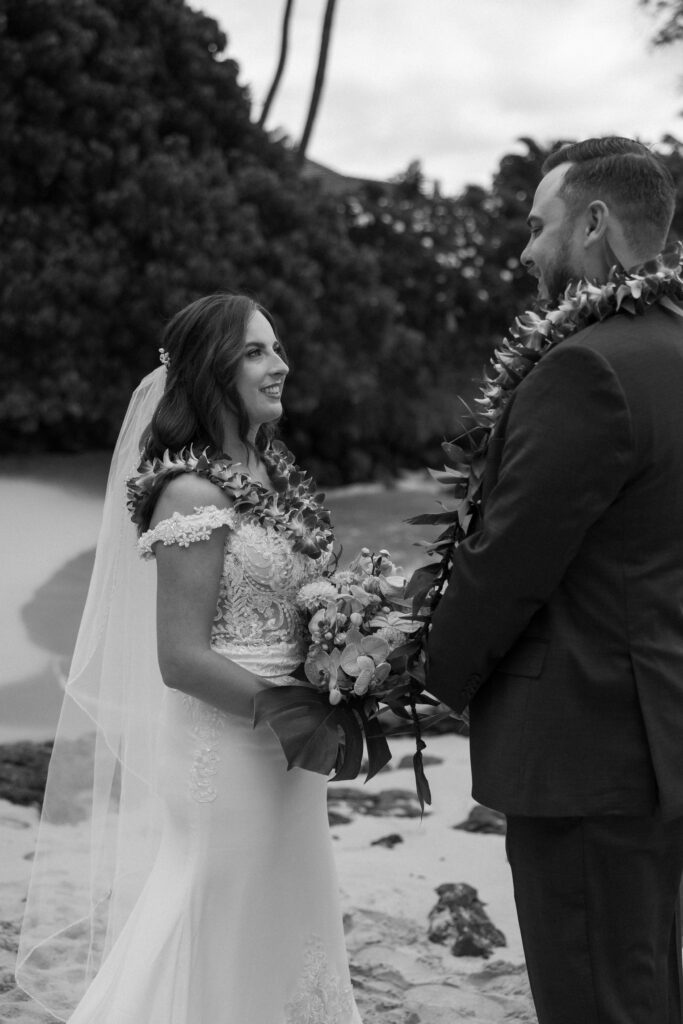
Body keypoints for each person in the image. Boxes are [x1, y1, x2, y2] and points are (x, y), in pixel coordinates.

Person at [16, 293, 362, 1024]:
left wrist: (354, 645)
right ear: (212, 371)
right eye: (256, 352)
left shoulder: (276, 479)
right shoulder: (189, 492)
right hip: (226, 746)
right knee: (213, 898)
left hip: (296, 744)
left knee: (289, 897)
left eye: (276, 348)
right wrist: (287, 712)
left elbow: (299, 609)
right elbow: (178, 657)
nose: (280, 365)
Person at [426, 137, 683, 1024]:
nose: (525, 250)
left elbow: (507, 560)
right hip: (661, 730)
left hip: (586, 746)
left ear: (595, 223)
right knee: (649, 979)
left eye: (538, 227)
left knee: (593, 995)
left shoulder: (584, 367)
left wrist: (426, 674)